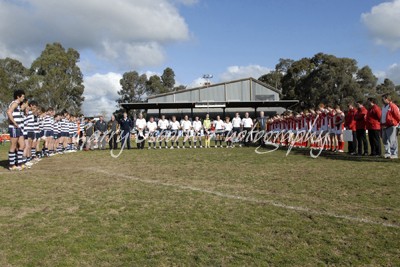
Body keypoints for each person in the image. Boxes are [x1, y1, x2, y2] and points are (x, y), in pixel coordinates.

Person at [7, 89, 26, 171]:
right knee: (13, 145)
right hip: (14, 128)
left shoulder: (18, 105)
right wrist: (14, 123)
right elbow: (8, 112)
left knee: (22, 145)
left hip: (19, 128)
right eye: (23, 96)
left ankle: (19, 163)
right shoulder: (14, 103)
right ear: (18, 96)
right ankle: (11, 165)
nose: (23, 98)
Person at [381, 94, 400, 159]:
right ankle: (387, 153)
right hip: (384, 125)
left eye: (383, 99)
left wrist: (396, 123)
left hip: (391, 125)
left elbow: (398, 115)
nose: (382, 100)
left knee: (392, 140)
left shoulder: (393, 106)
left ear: (387, 99)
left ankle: (394, 153)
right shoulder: (383, 107)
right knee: (385, 140)